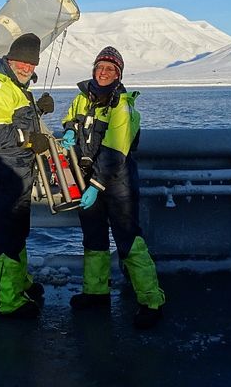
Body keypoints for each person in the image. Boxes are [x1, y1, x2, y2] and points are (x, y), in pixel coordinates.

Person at [61, 46, 165, 329]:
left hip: (117, 182)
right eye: (100, 67)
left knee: (129, 240)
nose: (104, 73)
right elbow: (70, 116)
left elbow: (115, 152)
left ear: (118, 74)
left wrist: (96, 184)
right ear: (93, 70)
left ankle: (151, 301)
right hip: (86, 180)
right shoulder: (82, 98)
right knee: (93, 238)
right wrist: (69, 129)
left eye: (111, 69)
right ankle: (96, 293)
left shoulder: (122, 105)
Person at [0, 33, 54, 319]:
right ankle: (5, 302)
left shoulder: (13, 86)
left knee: (17, 233)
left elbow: (12, 118)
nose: (26, 69)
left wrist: (36, 108)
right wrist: (32, 139)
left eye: (31, 65)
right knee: (5, 237)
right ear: (9, 59)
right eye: (21, 62)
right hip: (1, 173)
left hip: (16, 173)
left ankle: (19, 285)